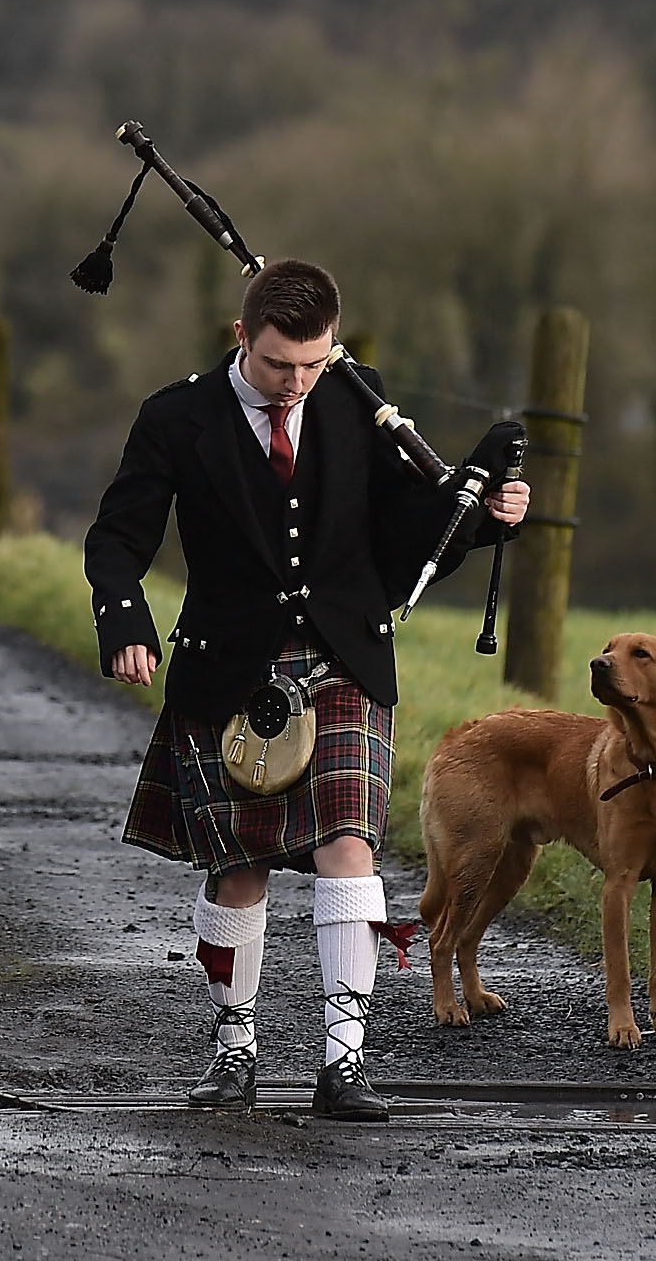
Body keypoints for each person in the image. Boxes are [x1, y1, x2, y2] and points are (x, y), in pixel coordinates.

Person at [87, 259, 528, 1120]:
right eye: (280, 364)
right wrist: (125, 621)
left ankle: (344, 1060)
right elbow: (117, 536)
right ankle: (235, 1050)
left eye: (314, 363)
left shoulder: (355, 399)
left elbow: (409, 532)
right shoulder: (177, 418)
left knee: (349, 851)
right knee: (238, 866)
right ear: (241, 336)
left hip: (344, 659)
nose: (296, 384)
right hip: (227, 668)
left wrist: (481, 512)